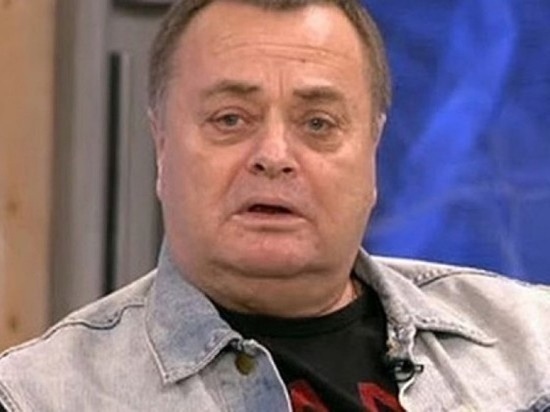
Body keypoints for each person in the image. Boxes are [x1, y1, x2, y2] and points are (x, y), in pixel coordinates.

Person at [1, 0, 549, 410]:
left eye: (318, 123)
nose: (274, 156)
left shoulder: (534, 347)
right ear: (161, 145)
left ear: (373, 150)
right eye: (230, 119)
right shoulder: (37, 398)